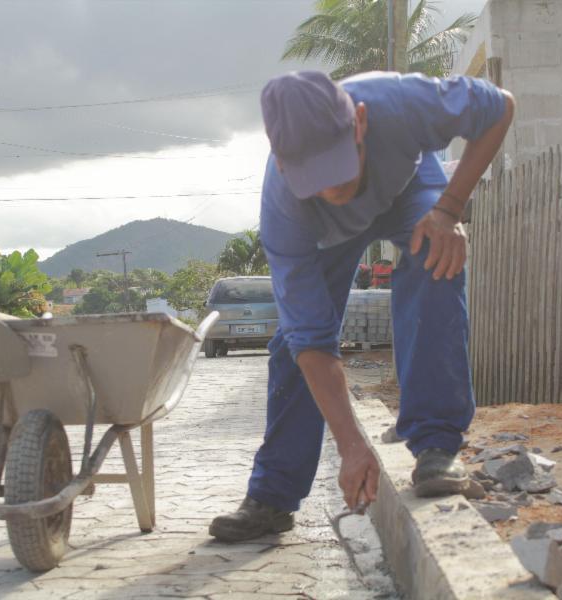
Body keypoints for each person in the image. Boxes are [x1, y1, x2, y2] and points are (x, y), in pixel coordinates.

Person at [209, 70, 514, 542]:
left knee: (436, 260)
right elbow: (314, 342)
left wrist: (450, 208)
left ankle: (436, 446)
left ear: (360, 123)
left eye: (339, 167)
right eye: (316, 179)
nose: (333, 189)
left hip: (410, 188)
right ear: (284, 163)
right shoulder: (285, 209)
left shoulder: (402, 100)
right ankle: (273, 495)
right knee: (294, 346)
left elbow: (500, 107)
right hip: (326, 237)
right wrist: (351, 446)